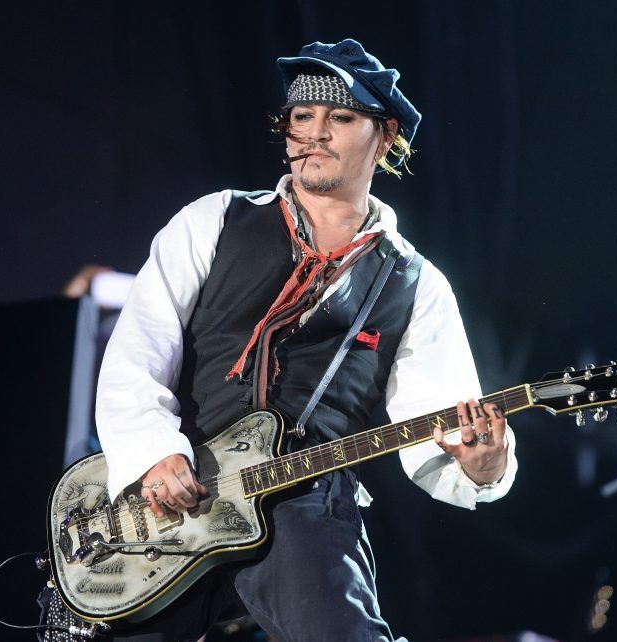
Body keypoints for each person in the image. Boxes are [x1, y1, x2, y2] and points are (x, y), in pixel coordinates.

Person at [93, 38, 518, 642]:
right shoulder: (214, 219)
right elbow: (137, 352)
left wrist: (483, 465)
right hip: (175, 495)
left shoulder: (415, 283)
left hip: (304, 503)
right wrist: (152, 454)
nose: (314, 132)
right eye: (301, 117)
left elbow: (443, 419)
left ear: (386, 135)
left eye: (340, 118)